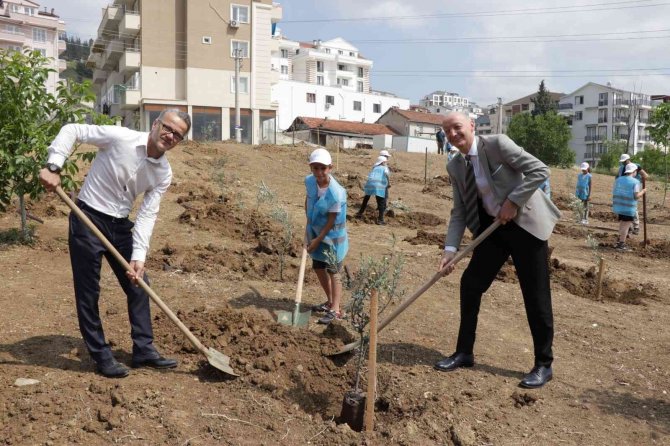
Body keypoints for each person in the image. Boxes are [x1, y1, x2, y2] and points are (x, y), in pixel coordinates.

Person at [39, 109, 191, 378]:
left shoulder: (163, 173)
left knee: (139, 283)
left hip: (120, 225)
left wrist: (139, 256)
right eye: (168, 128)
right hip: (88, 217)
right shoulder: (120, 137)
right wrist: (54, 165)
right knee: (89, 292)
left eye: (177, 134)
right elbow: (73, 129)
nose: (170, 135)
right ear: (156, 124)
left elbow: (147, 214)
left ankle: (143, 350)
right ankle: (100, 356)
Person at [434, 112, 561, 389]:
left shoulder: (498, 144)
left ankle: (543, 364)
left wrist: (513, 201)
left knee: (535, 293)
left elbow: (540, 170)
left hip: (526, 224)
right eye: (447, 131)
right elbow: (459, 210)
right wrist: (450, 249)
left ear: (472, 126)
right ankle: (464, 352)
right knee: (470, 284)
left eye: (457, 128)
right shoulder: (455, 165)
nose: (453, 135)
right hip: (493, 228)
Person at [305, 148, 349, 325]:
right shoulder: (309, 181)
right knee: (318, 266)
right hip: (315, 231)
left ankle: (336, 310)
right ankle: (329, 301)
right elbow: (308, 200)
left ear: (330, 168)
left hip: (333, 237)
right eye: (315, 168)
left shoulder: (336, 193)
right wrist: (308, 224)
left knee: (333, 271)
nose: (319, 172)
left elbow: (331, 220)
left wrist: (317, 240)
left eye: (322, 168)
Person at [612, 162, 646, 251]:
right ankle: (621, 244)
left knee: (622, 224)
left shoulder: (619, 179)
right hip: (628, 208)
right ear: (634, 171)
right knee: (626, 226)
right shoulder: (635, 182)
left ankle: (620, 242)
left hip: (619, 207)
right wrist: (643, 191)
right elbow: (636, 196)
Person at [616, 153, 647, 235]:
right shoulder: (622, 168)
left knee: (633, 207)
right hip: (625, 189)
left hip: (635, 188)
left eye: (624, 161)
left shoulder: (636, 166)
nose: (623, 163)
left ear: (628, 159)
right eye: (622, 161)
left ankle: (636, 227)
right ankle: (628, 227)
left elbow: (645, 175)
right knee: (625, 207)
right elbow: (618, 178)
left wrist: (640, 185)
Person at [356, 156, 391, 225]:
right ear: (383, 162)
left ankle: (360, 213)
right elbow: (387, 174)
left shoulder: (374, 168)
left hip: (369, 184)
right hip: (378, 186)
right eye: (385, 162)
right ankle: (380, 220)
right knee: (381, 202)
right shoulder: (384, 168)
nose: (386, 163)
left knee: (366, 199)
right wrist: (389, 183)